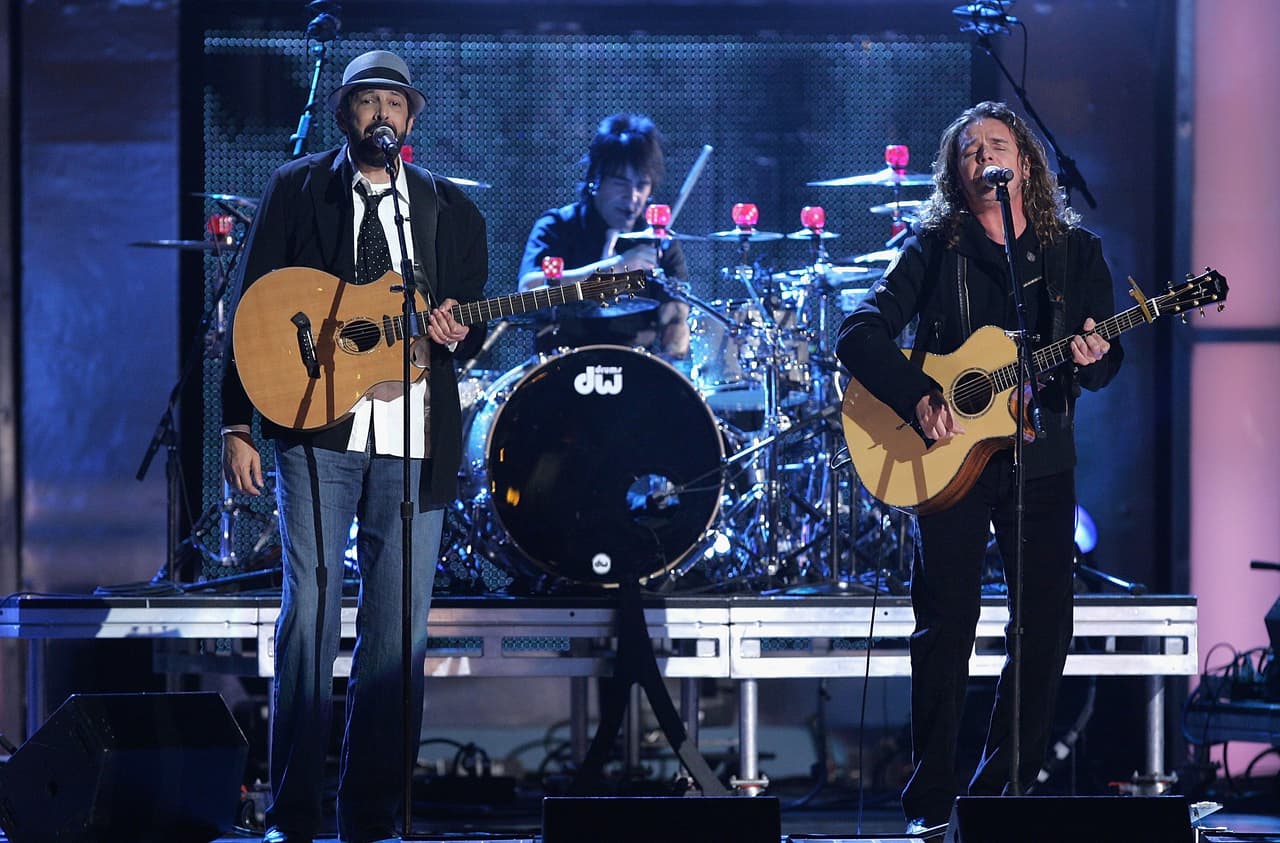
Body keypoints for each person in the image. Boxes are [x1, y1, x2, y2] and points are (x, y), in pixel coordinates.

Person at [221, 50, 488, 843]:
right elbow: (252, 309)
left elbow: (465, 333)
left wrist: (457, 334)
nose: (381, 113)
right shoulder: (298, 189)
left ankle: (372, 819)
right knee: (310, 609)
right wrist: (238, 420)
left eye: (394, 103)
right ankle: (293, 814)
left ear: (411, 119)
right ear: (344, 117)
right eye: (367, 101)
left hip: (412, 439)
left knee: (398, 627)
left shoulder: (450, 213)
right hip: (313, 428)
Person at [835, 101, 1123, 832]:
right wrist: (921, 395)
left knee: (1045, 630)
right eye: (969, 151)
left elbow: (1102, 359)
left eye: (998, 144)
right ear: (956, 175)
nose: (984, 157)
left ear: (1025, 163)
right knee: (946, 627)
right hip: (949, 464)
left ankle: (997, 801)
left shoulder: (1075, 255)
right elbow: (858, 331)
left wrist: (1097, 354)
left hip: (1042, 458)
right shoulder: (935, 247)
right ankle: (930, 805)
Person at [517, 112, 689, 358]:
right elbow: (527, 291)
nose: (632, 197)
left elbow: (676, 317)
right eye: (620, 183)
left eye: (641, 185)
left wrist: (676, 328)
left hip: (637, 373)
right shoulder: (558, 226)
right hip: (561, 372)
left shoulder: (658, 240)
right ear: (595, 179)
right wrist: (615, 268)